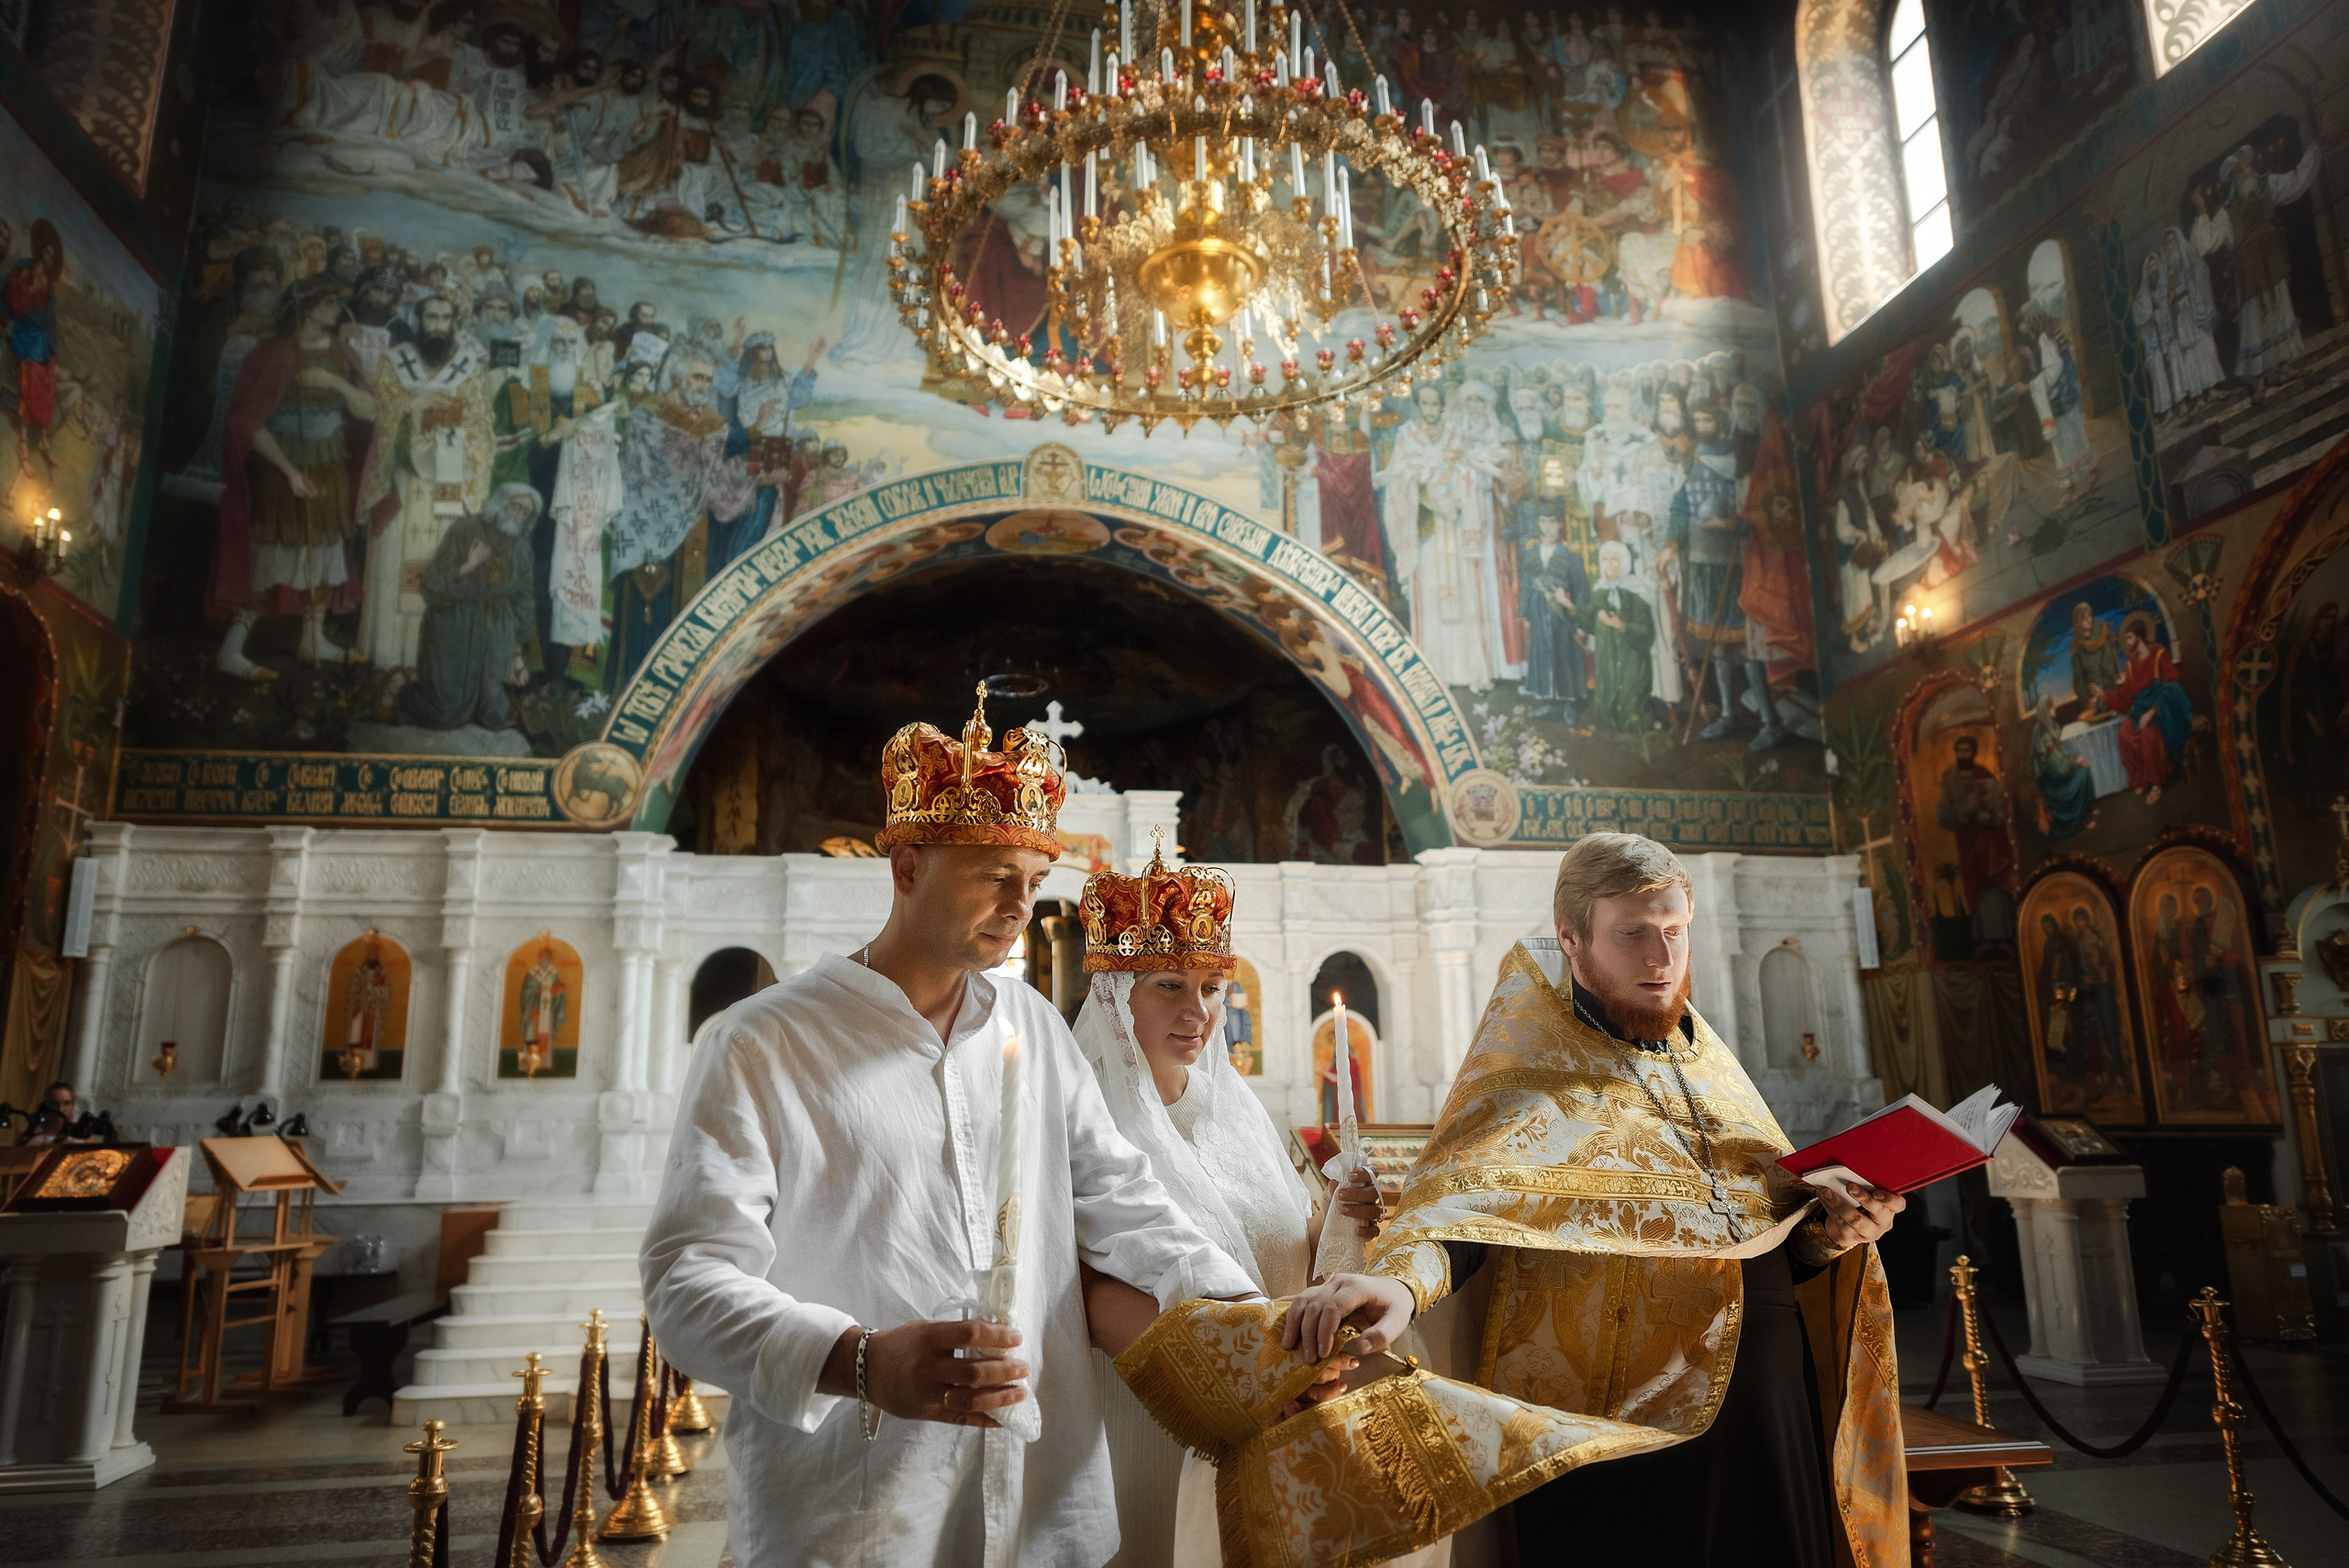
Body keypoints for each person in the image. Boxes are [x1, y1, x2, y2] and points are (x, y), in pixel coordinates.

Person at [640, 688, 1264, 1568]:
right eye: (996, 874)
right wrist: (860, 1361)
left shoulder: (1034, 1027)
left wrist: (1238, 1305)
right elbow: (685, 1280)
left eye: (1037, 882)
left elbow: (1124, 1201)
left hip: (1042, 1505)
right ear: (907, 864)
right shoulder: (763, 1041)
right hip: (856, 1512)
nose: (1021, 905)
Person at [1286, 832, 1907, 1568]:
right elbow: (1462, 1214)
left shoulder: (1711, 1066)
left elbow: (1769, 1235)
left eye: (1675, 931)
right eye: (1634, 933)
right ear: (1571, 939)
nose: (1660, 956)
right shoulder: (1523, 1076)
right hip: (1614, 1429)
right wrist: (1398, 1281)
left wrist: (1834, 1233)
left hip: (1769, 1413)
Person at [1067, 843, 1384, 1568]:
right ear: (1116, 996)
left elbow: (1274, 1244)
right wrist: (1241, 1375)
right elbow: (1080, 1290)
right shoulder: (1086, 1119)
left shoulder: (1233, 1104)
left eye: (1213, 987)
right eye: (1170, 985)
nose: (1199, 1011)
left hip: (1282, 1403)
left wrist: (1334, 1218)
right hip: (1159, 1419)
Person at [395, 482, 536, 731]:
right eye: (516, 506)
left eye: (526, 512)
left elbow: (523, 599)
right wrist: (468, 566)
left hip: (495, 628)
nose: (519, 515)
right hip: (452, 622)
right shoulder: (464, 529)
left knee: (493, 716)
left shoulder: (522, 548)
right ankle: (408, 697)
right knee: (445, 714)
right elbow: (430, 585)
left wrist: (516, 657)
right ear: (500, 503)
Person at [2089, 612, 2193, 805]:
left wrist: (2153, 710)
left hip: (2163, 712)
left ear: (2139, 636)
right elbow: (2125, 697)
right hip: (2141, 712)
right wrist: (2103, 695)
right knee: (2125, 733)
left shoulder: (2159, 654)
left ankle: (2156, 784)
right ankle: (2142, 777)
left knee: (2149, 735)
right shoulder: (2132, 664)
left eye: (2129, 637)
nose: (2127, 642)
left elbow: (2172, 685)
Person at [1519, 509, 1589, 721]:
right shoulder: (1531, 551)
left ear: (1560, 523)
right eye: (1542, 520)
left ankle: (1569, 705)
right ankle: (1549, 702)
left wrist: (1581, 619)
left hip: (1563, 612)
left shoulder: (1571, 553)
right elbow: (1525, 584)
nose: (1547, 527)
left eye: (1551, 521)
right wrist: (1524, 613)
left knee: (1565, 655)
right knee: (1542, 654)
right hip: (1538, 609)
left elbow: (1582, 589)